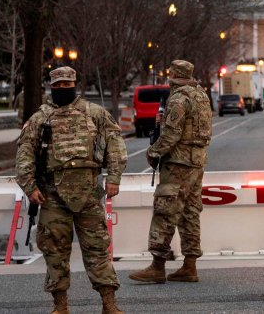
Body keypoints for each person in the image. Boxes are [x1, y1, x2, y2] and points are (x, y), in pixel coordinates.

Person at [15, 66, 126, 314]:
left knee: (97, 249)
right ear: (51, 87)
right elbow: (24, 154)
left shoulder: (95, 114)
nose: (63, 89)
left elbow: (115, 145)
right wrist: (30, 186)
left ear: (75, 84)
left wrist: (114, 178)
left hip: (89, 195)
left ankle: (109, 304)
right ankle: (60, 306)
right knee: (55, 252)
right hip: (52, 195)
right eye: (58, 85)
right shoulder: (39, 119)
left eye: (67, 85)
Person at [129, 59, 213, 285]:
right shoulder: (202, 96)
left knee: (165, 210)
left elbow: (171, 136)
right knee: (190, 212)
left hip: (178, 163)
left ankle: (157, 265)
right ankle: (190, 265)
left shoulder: (178, 98)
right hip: (197, 162)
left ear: (173, 76)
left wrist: (153, 152)